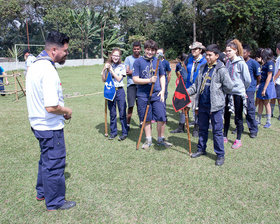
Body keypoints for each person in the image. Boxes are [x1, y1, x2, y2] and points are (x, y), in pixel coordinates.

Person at [26, 31, 76, 211]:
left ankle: (42, 191)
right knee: (54, 163)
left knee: (46, 160)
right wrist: (66, 110)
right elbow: (51, 107)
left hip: (38, 124)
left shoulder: (35, 65)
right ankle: (54, 201)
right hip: (49, 126)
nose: (67, 54)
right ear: (54, 50)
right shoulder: (47, 70)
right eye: (65, 50)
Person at [187, 44, 233, 166]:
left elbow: (229, 86)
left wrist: (218, 95)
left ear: (216, 56)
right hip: (202, 104)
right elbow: (196, 86)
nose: (207, 57)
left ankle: (220, 155)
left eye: (209, 55)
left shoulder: (221, 69)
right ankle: (201, 149)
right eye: (206, 54)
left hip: (215, 106)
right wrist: (186, 92)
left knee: (217, 131)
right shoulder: (202, 67)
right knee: (202, 128)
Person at [132, 39, 172, 149]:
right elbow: (135, 79)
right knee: (146, 118)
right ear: (145, 49)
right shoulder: (138, 62)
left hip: (157, 94)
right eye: (148, 50)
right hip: (143, 95)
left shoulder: (158, 61)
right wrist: (149, 80)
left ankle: (161, 139)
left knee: (161, 117)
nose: (150, 52)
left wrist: (163, 91)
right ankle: (148, 140)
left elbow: (162, 76)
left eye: (153, 50)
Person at [171, 41, 207, 137]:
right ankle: (181, 126)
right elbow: (185, 70)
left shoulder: (204, 61)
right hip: (188, 86)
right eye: (192, 49)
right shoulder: (189, 59)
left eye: (195, 49)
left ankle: (196, 128)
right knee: (184, 107)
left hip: (198, 88)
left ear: (200, 50)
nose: (193, 51)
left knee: (196, 109)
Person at [223, 39, 251, 149]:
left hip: (238, 93)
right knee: (226, 115)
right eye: (226, 51)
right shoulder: (228, 62)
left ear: (235, 51)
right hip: (228, 93)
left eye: (229, 51)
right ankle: (224, 136)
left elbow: (247, 80)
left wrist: (242, 90)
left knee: (238, 117)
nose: (227, 53)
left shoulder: (241, 63)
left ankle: (238, 139)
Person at [101, 48, 128, 140]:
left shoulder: (122, 66)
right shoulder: (108, 65)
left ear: (119, 56)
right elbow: (104, 79)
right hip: (110, 90)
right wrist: (104, 69)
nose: (116, 57)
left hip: (119, 91)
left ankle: (124, 132)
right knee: (112, 113)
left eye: (118, 55)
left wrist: (111, 70)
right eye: (114, 55)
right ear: (111, 56)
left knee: (122, 112)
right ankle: (113, 132)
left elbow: (119, 79)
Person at [242, 44, 261, 138]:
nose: (242, 54)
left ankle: (253, 130)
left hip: (249, 90)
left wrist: (254, 86)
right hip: (240, 89)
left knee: (250, 110)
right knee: (239, 110)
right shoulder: (239, 62)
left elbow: (258, 77)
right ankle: (239, 127)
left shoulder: (253, 63)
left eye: (244, 53)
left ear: (249, 53)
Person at [256, 48, 276, 128]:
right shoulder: (265, 63)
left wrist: (264, 89)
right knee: (260, 102)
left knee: (266, 103)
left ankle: (268, 121)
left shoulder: (270, 63)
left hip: (266, 85)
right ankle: (258, 120)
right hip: (262, 84)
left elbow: (269, 76)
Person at [124, 41, 142, 130]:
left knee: (140, 105)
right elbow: (127, 72)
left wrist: (132, 71)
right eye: (134, 49)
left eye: (138, 49)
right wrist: (137, 72)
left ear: (140, 49)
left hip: (141, 85)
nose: (136, 50)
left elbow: (144, 72)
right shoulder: (128, 59)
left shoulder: (143, 58)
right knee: (131, 105)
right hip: (131, 85)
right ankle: (127, 124)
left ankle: (142, 122)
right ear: (132, 49)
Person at [270, 43, 280, 120]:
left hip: (278, 81)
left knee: (278, 99)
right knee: (273, 97)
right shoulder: (278, 58)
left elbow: (279, 70)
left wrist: (274, 79)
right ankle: (271, 113)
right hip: (276, 81)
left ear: (277, 49)